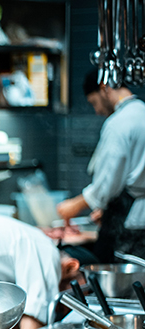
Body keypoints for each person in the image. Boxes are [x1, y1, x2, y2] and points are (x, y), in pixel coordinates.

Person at [56, 69, 145, 262]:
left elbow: (107, 184)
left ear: (104, 88)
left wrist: (75, 205)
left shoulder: (118, 123)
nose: (97, 111)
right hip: (137, 218)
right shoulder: (142, 111)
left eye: (94, 103)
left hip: (129, 227)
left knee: (118, 285)